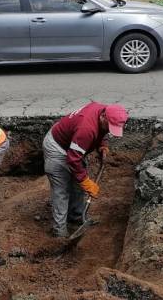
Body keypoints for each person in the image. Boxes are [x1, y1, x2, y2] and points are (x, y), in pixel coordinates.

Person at [43, 102, 128, 238]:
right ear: (103, 117)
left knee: (77, 185)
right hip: (57, 147)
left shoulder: (105, 112)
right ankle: (59, 231)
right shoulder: (86, 129)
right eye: (109, 126)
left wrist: (102, 144)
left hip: (72, 143)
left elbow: (104, 130)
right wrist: (85, 181)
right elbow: (73, 159)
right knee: (62, 189)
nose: (110, 130)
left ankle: (76, 216)